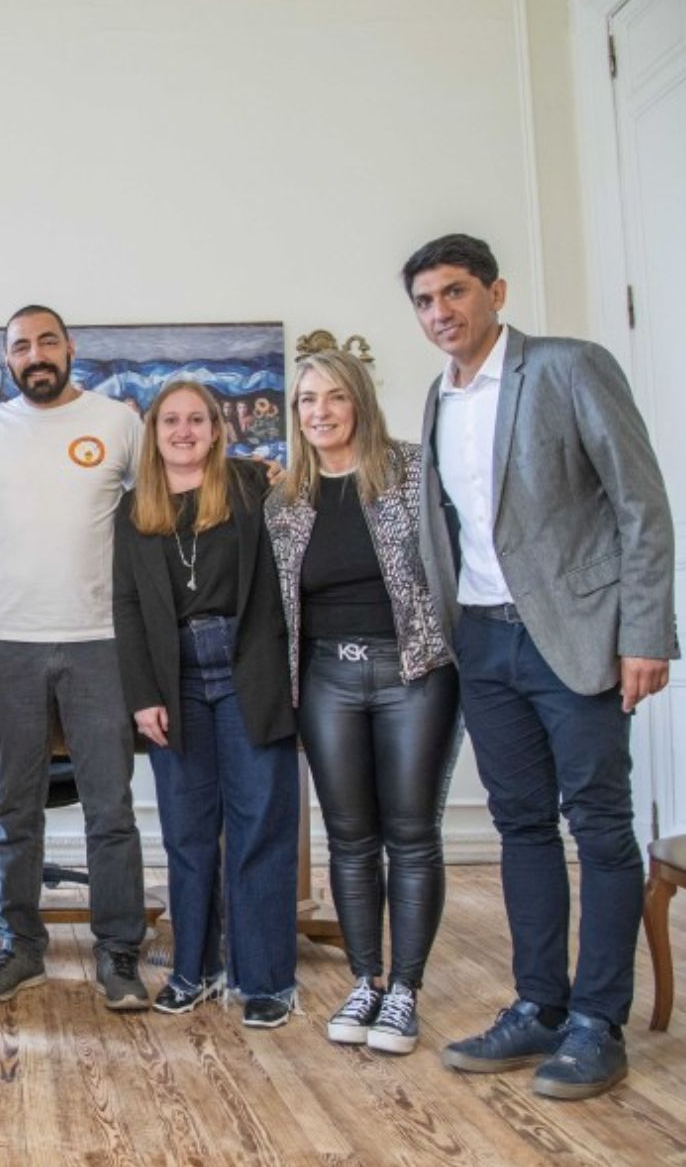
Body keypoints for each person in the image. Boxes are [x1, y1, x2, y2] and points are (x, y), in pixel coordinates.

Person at [409, 233, 676, 1098]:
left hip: (575, 634)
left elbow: (641, 503)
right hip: (483, 639)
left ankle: (599, 1022)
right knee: (519, 824)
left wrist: (646, 633)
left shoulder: (567, 368)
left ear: (496, 292)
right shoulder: (436, 398)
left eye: (454, 292)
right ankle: (539, 1007)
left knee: (598, 824)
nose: (440, 313)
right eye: (424, 300)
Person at [264, 349, 460, 1053]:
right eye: (307, 399)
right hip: (327, 680)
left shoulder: (411, 473)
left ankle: (406, 989)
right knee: (350, 838)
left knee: (411, 832)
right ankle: (365, 980)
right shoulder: (285, 503)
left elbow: (454, 561)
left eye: (334, 397)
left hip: (414, 674)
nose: (319, 411)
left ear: (360, 403)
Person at [0, 304, 149, 1010]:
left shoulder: (116, 422)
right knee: (15, 810)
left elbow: (152, 510)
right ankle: (20, 947)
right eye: (20, 346)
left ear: (70, 348)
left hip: (100, 640)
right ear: (6, 360)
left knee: (111, 807)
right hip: (8, 639)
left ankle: (119, 952)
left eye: (47, 341)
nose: (35, 354)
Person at [111, 379, 300, 1028]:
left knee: (260, 829)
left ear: (218, 429)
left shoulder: (254, 487)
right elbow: (127, 608)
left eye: (198, 419)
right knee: (189, 835)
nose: (185, 430)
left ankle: (267, 978)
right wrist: (142, 696)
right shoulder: (134, 510)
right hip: (174, 682)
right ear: (154, 432)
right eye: (172, 420)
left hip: (253, 674)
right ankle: (195, 968)